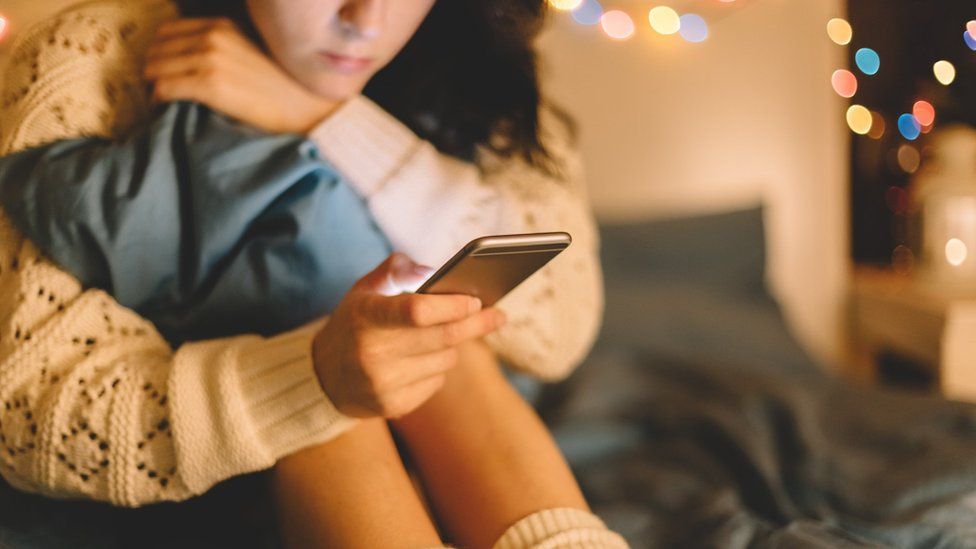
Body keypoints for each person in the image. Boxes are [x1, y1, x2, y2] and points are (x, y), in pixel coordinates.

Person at [0, 0, 627, 547]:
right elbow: (26, 411)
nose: (365, 20)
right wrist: (313, 376)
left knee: (434, 326)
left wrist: (318, 115)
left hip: (457, 425)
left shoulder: (482, 59)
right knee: (347, 339)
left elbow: (559, 326)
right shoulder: (94, 54)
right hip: (232, 459)